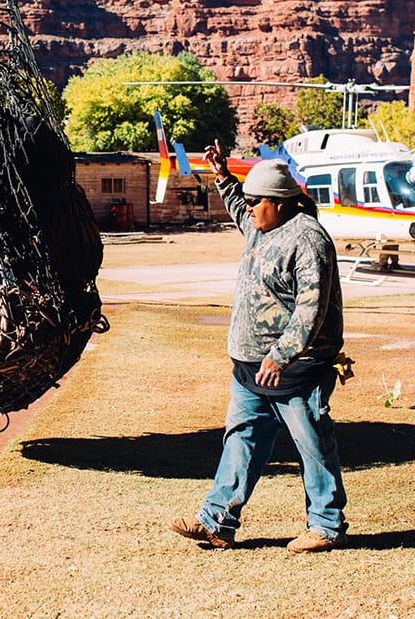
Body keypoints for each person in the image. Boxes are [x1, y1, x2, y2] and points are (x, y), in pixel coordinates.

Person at [168, 142, 348, 553]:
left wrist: (281, 356)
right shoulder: (259, 225)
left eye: (255, 201)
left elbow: (311, 308)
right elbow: (236, 206)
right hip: (250, 367)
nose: (247, 208)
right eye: (247, 201)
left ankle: (325, 525)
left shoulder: (308, 239)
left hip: (295, 369)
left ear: (281, 203)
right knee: (241, 438)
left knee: (313, 443)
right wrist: (222, 175)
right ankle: (217, 522)